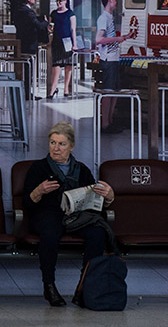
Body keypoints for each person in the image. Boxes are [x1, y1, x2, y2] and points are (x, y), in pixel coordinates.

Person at [23, 121, 115, 307]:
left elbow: (95, 204)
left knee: (97, 233)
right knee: (50, 231)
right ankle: (49, 285)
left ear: (71, 146)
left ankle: (83, 288)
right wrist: (39, 191)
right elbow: (27, 203)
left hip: (76, 217)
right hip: (46, 215)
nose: (56, 149)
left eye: (61, 144)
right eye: (52, 143)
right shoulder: (38, 168)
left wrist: (109, 197)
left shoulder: (81, 170)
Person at [96, 0, 135, 133]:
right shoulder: (103, 18)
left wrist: (125, 37)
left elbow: (111, 39)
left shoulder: (110, 18)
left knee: (114, 91)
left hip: (113, 58)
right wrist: (117, 39)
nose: (117, 2)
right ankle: (105, 123)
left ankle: (110, 120)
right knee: (108, 91)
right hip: (108, 60)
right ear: (109, 1)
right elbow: (99, 40)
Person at [13, 0, 50, 99]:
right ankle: (27, 93)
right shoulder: (27, 12)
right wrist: (45, 22)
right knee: (29, 70)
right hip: (28, 44)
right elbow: (37, 25)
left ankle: (27, 92)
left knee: (27, 69)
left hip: (21, 42)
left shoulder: (18, 10)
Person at [49, 0, 77, 98]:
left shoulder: (70, 14)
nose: (58, 3)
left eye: (60, 0)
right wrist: (49, 28)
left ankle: (66, 88)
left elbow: (73, 29)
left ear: (65, 1)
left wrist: (75, 44)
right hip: (57, 41)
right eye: (57, 1)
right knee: (56, 65)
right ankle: (53, 88)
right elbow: (50, 26)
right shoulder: (54, 13)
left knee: (68, 65)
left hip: (67, 41)